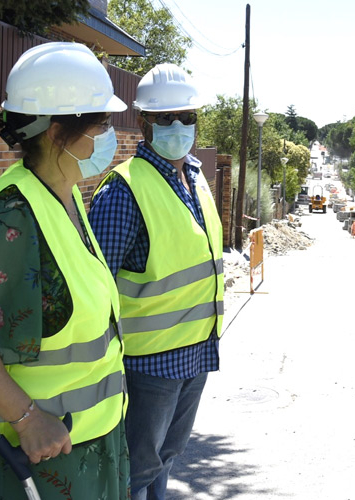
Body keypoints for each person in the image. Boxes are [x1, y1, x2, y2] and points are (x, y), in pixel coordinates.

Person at [0, 42, 129, 499]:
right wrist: (27, 418)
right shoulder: (9, 218)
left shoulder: (65, 197)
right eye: (102, 123)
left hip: (84, 441)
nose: (109, 134)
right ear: (59, 132)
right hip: (28, 459)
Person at [89, 63, 223, 500]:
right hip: (147, 364)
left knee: (166, 458)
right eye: (166, 118)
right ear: (144, 122)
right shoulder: (123, 190)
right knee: (135, 469)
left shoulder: (196, 177)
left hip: (196, 352)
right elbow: (95, 285)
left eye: (187, 116)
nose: (178, 127)